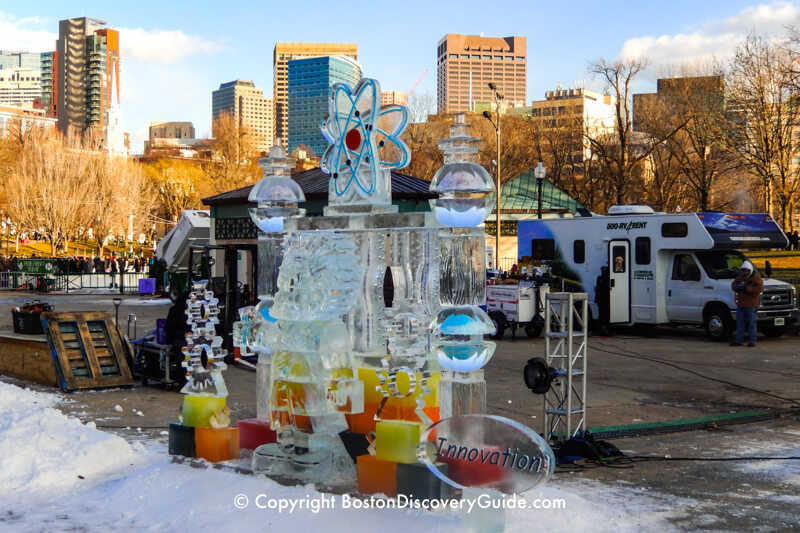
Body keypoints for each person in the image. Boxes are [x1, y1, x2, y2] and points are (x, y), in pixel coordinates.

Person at [730, 260, 763, 347]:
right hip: (741, 304)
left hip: (751, 305)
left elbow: (759, 288)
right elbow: (733, 284)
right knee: (740, 323)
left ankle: (752, 341)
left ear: (750, 270)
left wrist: (747, 289)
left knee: (752, 324)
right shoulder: (740, 277)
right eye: (744, 270)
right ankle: (738, 340)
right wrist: (736, 288)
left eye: (747, 270)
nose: (745, 272)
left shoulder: (756, 278)